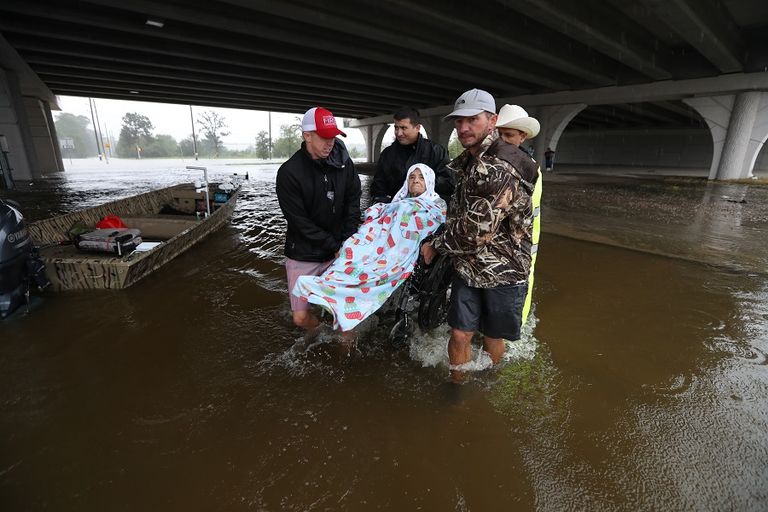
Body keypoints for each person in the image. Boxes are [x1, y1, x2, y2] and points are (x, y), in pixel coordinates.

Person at [420, 90, 541, 380]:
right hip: (468, 266)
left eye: (473, 119)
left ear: (492, 121)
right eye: (458, 121)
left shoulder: (499, 165)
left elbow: (476, 231)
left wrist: (436, 245)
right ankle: (458, 388)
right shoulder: (471, 160)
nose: (463, 128)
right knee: (460, 334)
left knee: (491, 337)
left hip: (504, 271)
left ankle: (488, 383)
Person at [293, 164, 445, 333]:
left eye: (421, 177)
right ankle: (329, 287)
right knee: (352, 251)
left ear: (429, 181)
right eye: (412, 177)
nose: (416, 180)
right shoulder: (396, 202)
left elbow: (438, 227)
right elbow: (378, 221)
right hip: (379, 243)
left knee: (377, 266)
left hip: (402, 248)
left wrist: (430, 241)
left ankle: (348, 299)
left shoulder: (436, 206)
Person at [276, 106, 361, 331]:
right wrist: (333, 245)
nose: (330, 142)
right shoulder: (289, 173)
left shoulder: (344, 162)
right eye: (324, 137)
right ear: (307, 136)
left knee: (346, 314)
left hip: (340, 249)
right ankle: (321, 334)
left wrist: (347, 239)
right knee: (301, 318)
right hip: (305, 252)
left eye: (333, 136)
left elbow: (353, 200)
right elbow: (299, 221)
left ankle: (345, 354)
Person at [369, 107, 454, 204]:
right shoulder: (387, 154)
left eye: (403, 128)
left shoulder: (435, 151)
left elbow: (448, 184)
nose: (399, 133)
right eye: (396, 128)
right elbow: (377, 187)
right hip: (395, 211)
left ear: (417, 128)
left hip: (427, 211)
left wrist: (423, 185)